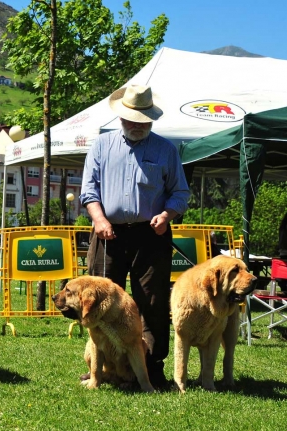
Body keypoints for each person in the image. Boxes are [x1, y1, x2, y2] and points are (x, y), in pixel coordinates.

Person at [80, 84, 190, 389]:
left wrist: (167, 215)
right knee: (96, 301)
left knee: (152, 301)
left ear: (151, 120)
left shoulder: (166, 150)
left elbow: (181, 192)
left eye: (143, 121)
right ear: (120, 117)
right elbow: (88, 190)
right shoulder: (101, 146)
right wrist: (99, 219)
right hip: (107, 232)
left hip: (152, 235)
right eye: (131, 119)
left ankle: (152, 367)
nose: (137, 125)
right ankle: (98, 367)